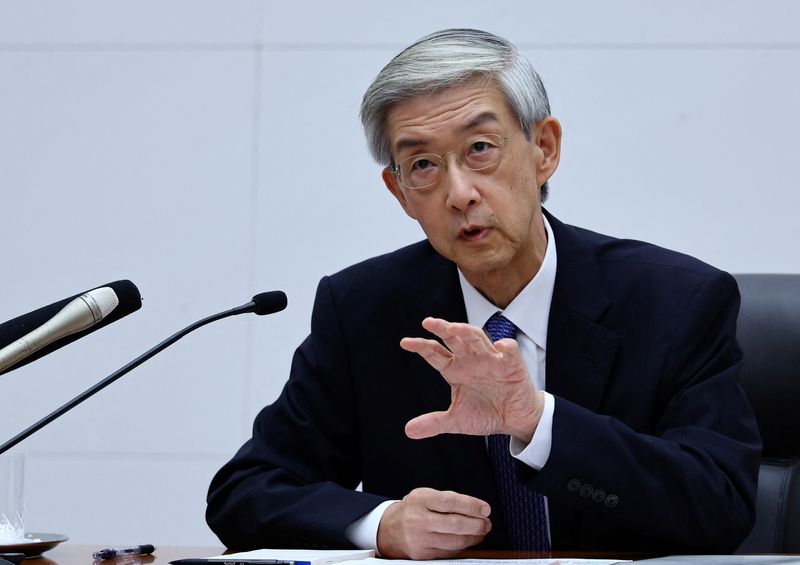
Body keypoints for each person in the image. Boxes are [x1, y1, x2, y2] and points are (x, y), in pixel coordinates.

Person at [206, 28, 761, 558]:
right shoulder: (363, 311)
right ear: (400, 192)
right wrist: (381, 524)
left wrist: (537, 421)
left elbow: (720, 505)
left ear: (544, 149)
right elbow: (246, 491)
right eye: (423, 164)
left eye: (479, 148)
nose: (459, 193)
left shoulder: (675, 301)